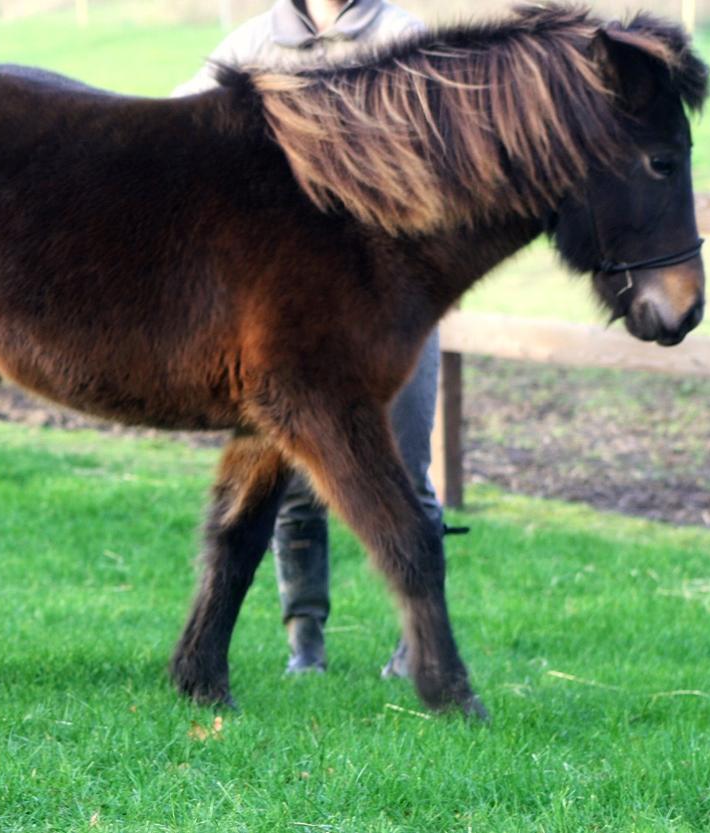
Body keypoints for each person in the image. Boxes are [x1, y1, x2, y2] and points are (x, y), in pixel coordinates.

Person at [176, 0, 448, 678]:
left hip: (392, 306)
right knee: (292, 481)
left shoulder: (402, 37)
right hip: (293, 318)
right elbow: (175, 123)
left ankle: (416, 644)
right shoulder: (255, 42)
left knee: (405, 474)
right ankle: (305, 642)